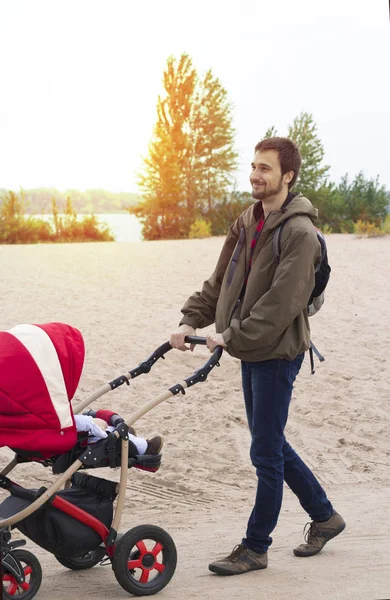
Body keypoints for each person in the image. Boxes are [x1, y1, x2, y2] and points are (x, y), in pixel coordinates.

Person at [170, 137, 345, 576]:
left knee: (264, 452)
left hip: (277, 352)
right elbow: (220, 283)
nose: (255, 174)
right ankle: (325, 517)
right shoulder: (248, 219)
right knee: (272, 443)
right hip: (249, 348)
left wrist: (231, 334)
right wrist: (192, 321)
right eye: (253, 166)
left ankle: (255, 547)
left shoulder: (301, 234)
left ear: (287, 176)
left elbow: (281, 304)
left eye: (265, 168)